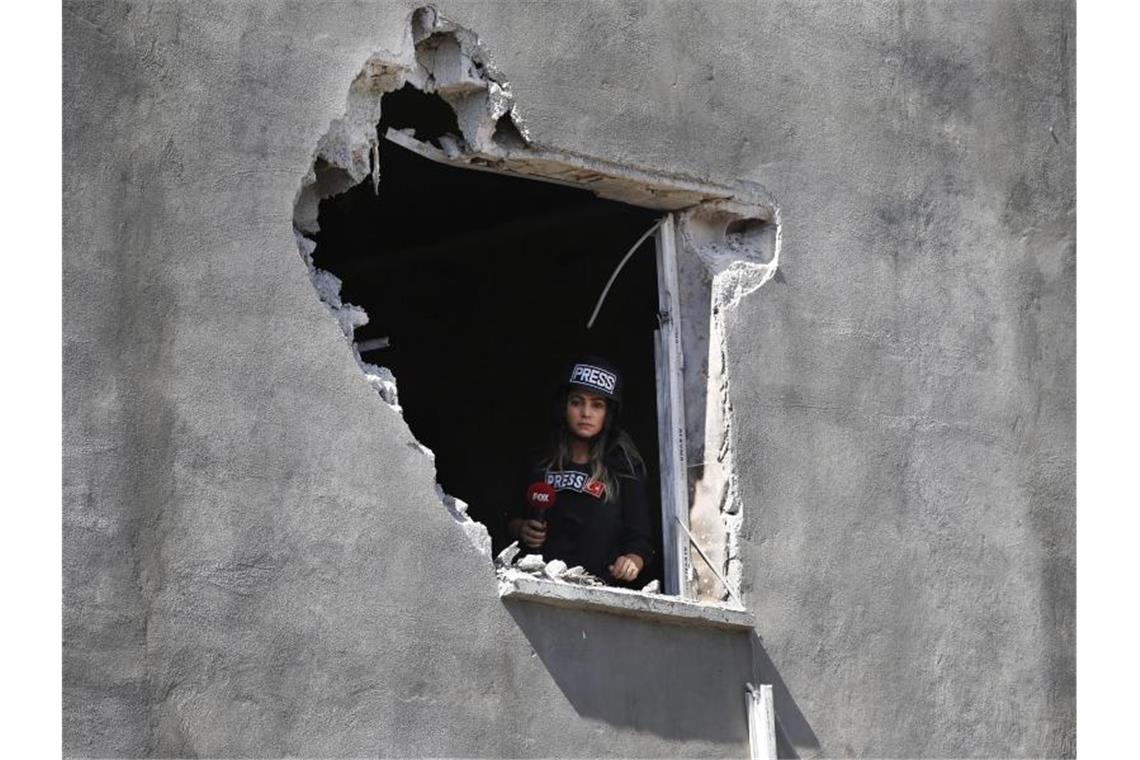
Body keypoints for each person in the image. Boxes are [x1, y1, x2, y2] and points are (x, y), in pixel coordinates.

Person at [507, 357, 653, 586]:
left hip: (601, 593)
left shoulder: (624, 467)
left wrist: (632, 561)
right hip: (540, 590)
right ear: (563, 407)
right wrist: (520, 528)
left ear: (608, 413)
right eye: (577, 402)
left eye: (597, 405)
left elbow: (641, 540)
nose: (586, 413)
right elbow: (506, 516)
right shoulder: (540, 462)